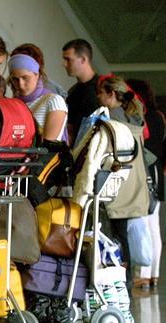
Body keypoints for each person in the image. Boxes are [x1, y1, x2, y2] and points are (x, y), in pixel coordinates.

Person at [96, 75, 147, 286]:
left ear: (111, 94)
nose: (98, 96)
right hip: (134, 185)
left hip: (116, 185)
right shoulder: (135, 119)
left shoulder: (111, 123)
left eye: (100, 92)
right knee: (122, 233)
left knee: (115, 235)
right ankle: (124, 279)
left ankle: (118, 279)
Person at [126, 78, 164, 290]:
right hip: (157, 171)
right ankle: (153, 275)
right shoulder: (159, 117)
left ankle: (142, 275)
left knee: (142, 225)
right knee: (153, 226)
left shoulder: (138, 117)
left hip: (143, 172)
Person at [8, 53, 68, 141]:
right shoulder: (14, 104)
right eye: (15, 79)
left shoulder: (53, 101)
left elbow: (48, 146)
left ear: (37, 75)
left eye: (25, 78)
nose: (20, 84)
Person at [62, 39, 99, 146]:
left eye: (68, 59)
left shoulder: (99, 91)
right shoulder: (74, 90)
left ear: (83, 59)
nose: (64, 64)